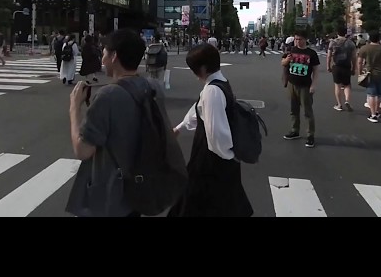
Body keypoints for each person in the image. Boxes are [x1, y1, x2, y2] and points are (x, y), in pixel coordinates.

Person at [65, 29, 169, 217]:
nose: (102, 58)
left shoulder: (108, 96)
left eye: (104, 51)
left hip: (110, 194)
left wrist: (74, 109)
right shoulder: (153, 88)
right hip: (140, 186)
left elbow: (83, 150)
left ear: (114, 56)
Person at [169, 43, 253, 217]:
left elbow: (216, 133)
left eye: (194, 69)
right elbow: (198, 109)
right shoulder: (219, 82)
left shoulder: (212, 91)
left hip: (210, 159)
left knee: (198, 200)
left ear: (203, 68)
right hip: (217, 158)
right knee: (215, 202)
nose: (194, 74)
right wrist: (179, 127)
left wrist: (229, 156)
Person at [281, 29, 320, 147]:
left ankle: (310, 135)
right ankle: (295, 130)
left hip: (305, 86)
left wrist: (313, 85)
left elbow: (316, 71)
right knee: (293, 110)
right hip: (292, 84)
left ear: (305, 39)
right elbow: (283, 63)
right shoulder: (291, 50)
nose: (297, 42)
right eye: (296, 39)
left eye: (300, 39)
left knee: (307, 111)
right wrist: (286, 60)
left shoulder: (311, 53)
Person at [357, 32, 381, 123]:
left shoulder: (364, 48)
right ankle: (377, 111)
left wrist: (360, 73)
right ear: (379, 39)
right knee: (379, 94)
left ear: (369, 39)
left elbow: (360, 62)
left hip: (370, 74)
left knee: (371, 94)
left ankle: (373, 115)